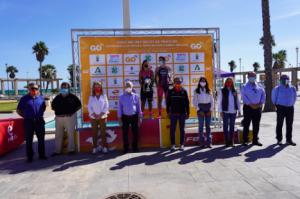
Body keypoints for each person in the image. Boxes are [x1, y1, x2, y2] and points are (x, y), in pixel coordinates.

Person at [17, 83, 47, 162]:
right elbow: (18, 110)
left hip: (39, 121)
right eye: (32, 88)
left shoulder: (41, 98)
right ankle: (30, 156)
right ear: (29, 89)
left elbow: (43, 108)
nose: (34, 90)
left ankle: (42, 155)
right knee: (29, 140)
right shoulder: (24, 99)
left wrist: (38, 115)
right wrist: (26, 116)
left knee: (41, 139)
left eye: (36, 89)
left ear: (38, 90)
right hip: (28, 122)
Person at [51, 82, 82, 156]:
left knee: (70, 134)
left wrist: (72, 112)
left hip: (70, 118)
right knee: (58, 135)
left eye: (66, 87)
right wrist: (59, 112)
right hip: (59, 119)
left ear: (68, 88)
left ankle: (71, 150)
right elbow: (52, 106)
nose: (64, 89)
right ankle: (57, 151)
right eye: (63, 87)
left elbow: (79, 106)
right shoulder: (57, 97)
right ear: (60, 88)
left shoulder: (73, 97)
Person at [241, 72, 266, 146]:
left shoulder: (260, 86)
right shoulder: (244, 86)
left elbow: (263, 95)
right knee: (246, 124)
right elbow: (244, 96)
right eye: (251, 76)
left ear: (256, 77)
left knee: (256, 125)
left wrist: (260, 103)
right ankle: (245, 140)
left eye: (254, 76)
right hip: (248, 107)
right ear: (248, 77)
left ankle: (255, 140)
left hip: (258, 108)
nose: (252, 77)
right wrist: (250, 104)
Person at [118, 81, 142, 153]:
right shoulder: (121, 97)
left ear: (132, 87)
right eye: (127, 86)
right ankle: (126, 148)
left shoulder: (136, 96)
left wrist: (140, 117)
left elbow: (139, 108)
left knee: (135, 133)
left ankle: (135, 147)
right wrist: (119, 119)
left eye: (130, 86)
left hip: (134, 116)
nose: (128, 87)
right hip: (125, 117)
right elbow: (120, 108)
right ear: (125, 87)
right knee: (125, 133)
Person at [272, 75, 297, 146]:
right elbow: (273, 98)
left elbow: (294, 97)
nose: (285, 80)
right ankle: (279, 140)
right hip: (280, 108)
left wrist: (291, 104)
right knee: (280, 124)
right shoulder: (277, 88)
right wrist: (277, 106)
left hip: (290, 108)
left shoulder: (292, 88)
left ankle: (289, 140)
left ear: (289, 80)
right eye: (283, 79)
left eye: (286, 79)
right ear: (280, 80)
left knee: (289, 124)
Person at [167, 77, 190, 151]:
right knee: (172, 129)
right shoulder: (170, 91)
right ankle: (173, 145)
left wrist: (188, 113)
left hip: (182, 113)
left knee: (182, 129)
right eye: (176, 82)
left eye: (179, 82)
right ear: (174, 83)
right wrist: (168, 112)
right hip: (173, 113)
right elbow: (168, 103)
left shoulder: (184, 91)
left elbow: (187, 103)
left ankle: (182, 144)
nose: (178, 83)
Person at [88, 81, 110, 154]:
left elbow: (106, 106)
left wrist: (100, 115)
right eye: (96, 86)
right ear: (94, 88)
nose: (97, 87)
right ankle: (94, 148)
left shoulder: (104, 96)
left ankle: (104, 147)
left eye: (99, 86)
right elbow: (89, 107)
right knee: (94, 133)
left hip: (103, 117)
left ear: (101, 87)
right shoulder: (91, 97)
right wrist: (94, 115)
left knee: (103, 133)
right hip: (93, 118)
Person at [218, 78, 241, 147]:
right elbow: (219, 102)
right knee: (225, 126)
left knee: (232, 126)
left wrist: (239, 110)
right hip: (225, 111)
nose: (229, 83)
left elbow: (237, 101)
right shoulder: (222, 91)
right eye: (228, 82)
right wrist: (220, 111)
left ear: (232, 83)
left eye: (230, 82)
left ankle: (231, 141)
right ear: (225, 83)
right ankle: (226, 141)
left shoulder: (235, 91)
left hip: (233, 111)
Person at [193, 77, 214, 148]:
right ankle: (201, 143)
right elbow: (194, 102)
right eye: (201, 81)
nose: (203, 82)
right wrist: (199, 110)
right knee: (201, 126)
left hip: (208, 107)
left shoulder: (209, 90)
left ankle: (209, 142)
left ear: (206, 82)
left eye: (204, 81)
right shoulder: (196, 91)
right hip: (200, 108)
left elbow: (212, 101)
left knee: (208, 126)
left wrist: (210, 110)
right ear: (199, 82)